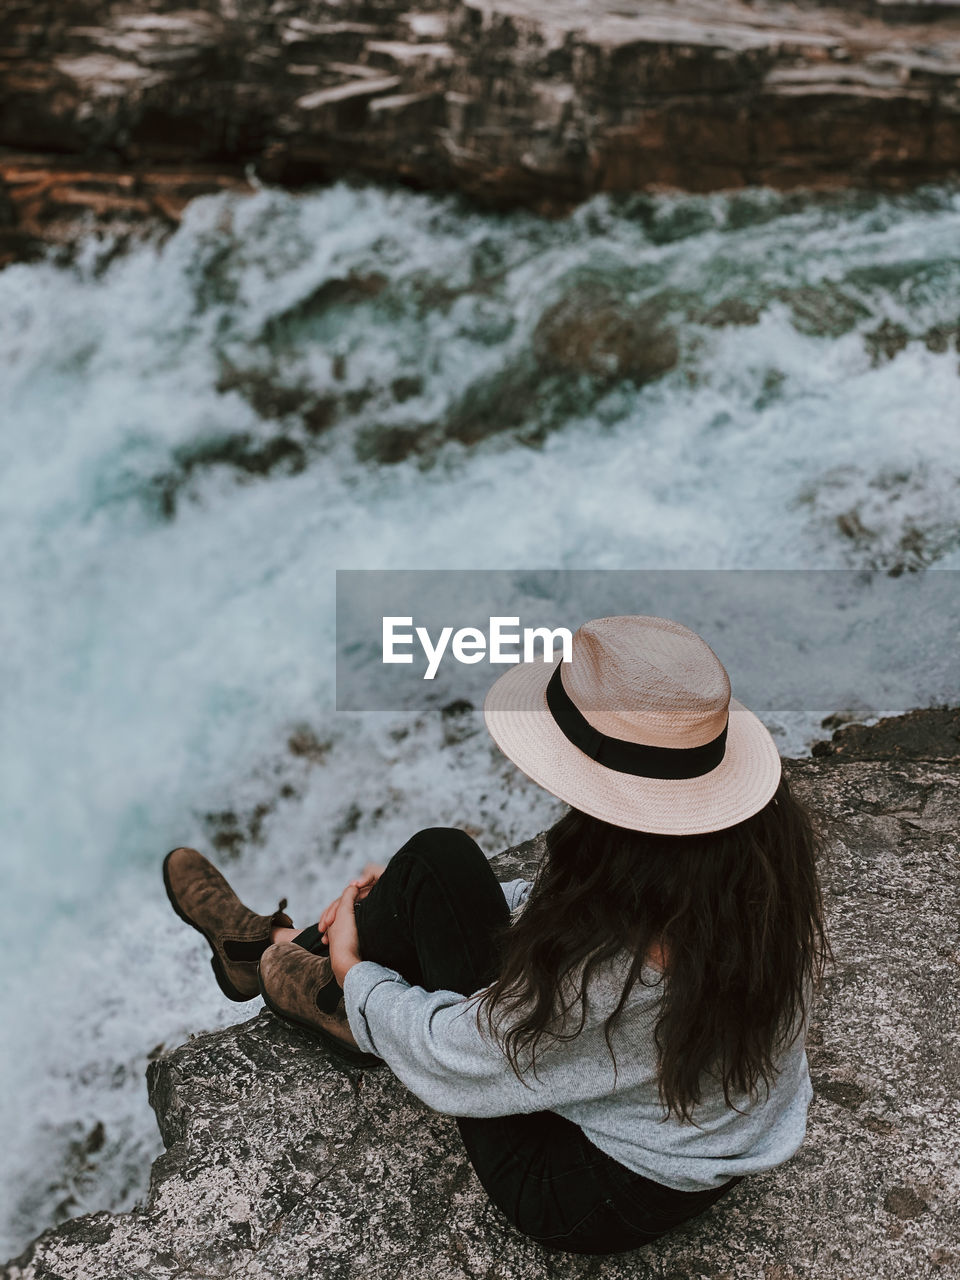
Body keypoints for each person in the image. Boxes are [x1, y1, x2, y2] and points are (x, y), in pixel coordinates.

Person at [163, 614, 830, 1256]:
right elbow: (561, 919)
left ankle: (278, 961)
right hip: (706, 1123)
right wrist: (416, 904)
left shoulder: (627, 966)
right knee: (437, 862)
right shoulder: (749, 851)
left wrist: (353, 971)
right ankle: (270, 950)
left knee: (419, 888)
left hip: (590, 1189)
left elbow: (460, 1056)